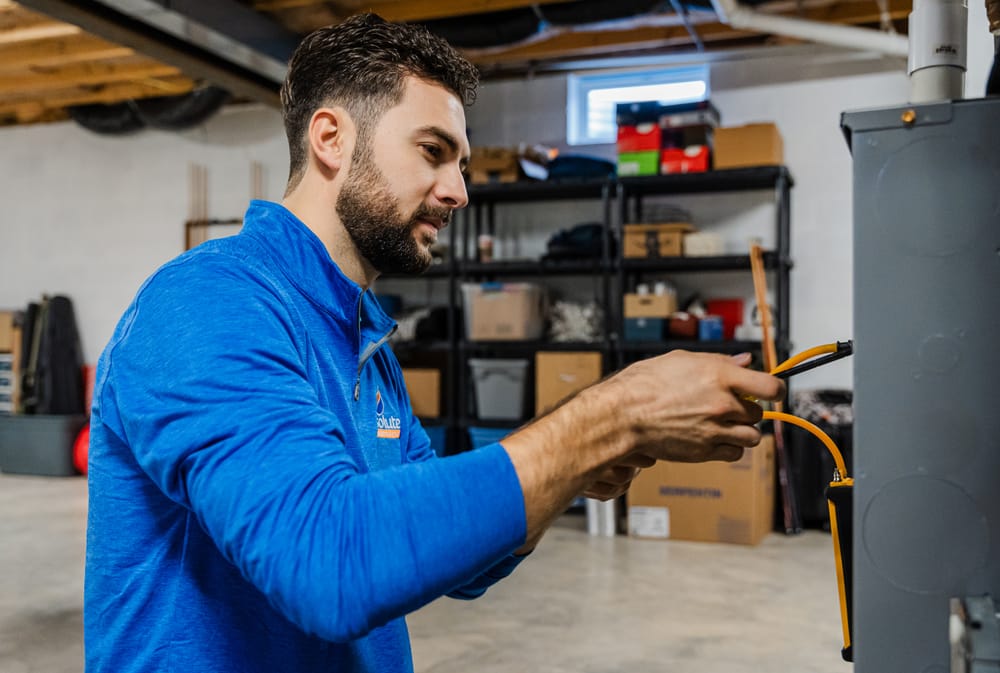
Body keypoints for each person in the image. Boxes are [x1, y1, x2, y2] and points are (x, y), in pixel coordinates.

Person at [84, 12, 784, 673]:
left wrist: (570, 466)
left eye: (463, 163)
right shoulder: (207, 303)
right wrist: (606, 417)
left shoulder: (365, 339)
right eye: (433, 152)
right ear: (331, 138)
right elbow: (330, 562)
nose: (459, 191)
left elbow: (454, 559)